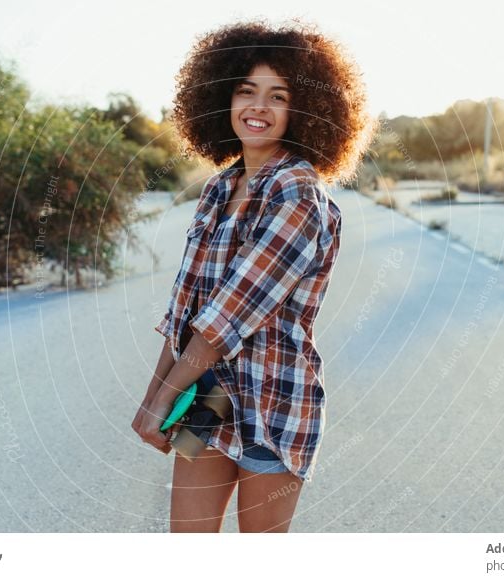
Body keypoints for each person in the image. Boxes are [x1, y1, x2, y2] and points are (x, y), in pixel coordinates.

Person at [131, 18, 373, 533]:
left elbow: (230, 313)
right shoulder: (220, 189)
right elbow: (188, 307)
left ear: (304, 111)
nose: (258, 107)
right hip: (209, 401)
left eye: (278, 95)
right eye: (246, 91)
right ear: (224, 97)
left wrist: (164, 397)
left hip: (273, 404)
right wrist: (154, 394)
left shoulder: (298, 194)